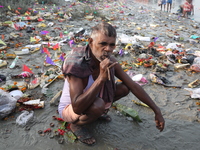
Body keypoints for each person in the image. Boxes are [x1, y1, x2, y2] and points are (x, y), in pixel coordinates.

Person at [58, 22, 165, 146]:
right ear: (91, 42)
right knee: (98, 105)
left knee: (125, 88)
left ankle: (95, 114)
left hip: (92, 99)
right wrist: (101, 79)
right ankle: (77, 125)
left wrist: (157, 111)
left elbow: (133, 86)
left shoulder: (109, 60)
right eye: (103, 44)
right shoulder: (76, 63)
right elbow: (77, 107)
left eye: (111, 45)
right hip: (70, 108)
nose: (108, 49)